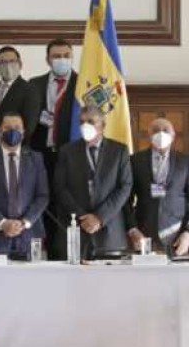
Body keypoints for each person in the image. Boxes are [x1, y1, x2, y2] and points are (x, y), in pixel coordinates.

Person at [53, 106, 132, 259]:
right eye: (81, 122)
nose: (85, 125)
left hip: (109, 235)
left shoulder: (119, 151)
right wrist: (83, 217)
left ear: (102, 125)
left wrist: (99, 218)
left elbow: (125, 187)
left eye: (90, 121)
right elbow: (60, 188)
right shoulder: (67, 151)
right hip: (76, 232)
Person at [28, 39, 78, 259]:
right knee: (41, 203)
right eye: (56, 56)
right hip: (41, 154)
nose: (61, 60)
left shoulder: (82, 83)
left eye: (66, 55)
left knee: (66, 206)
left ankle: (65, 254)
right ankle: (42, 252)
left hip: (70, 155)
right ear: (47, 59)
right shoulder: (34, 84)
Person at [0, 113, 49, 258]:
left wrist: (24, 222)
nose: (12, 131)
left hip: (30, 234)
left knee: (31, 280)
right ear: (0, 131)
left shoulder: (36, 159)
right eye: (7, 127)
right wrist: (3, 223)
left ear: (23, 132)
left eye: (17, 127)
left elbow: (43, 195)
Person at [124, 118, 189, 256]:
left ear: (173, 136)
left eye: (165, 130)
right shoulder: (135, 160)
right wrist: (132, 230)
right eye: (155, 130)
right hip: (143, 237)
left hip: (177, 238)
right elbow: (126, 200)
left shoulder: (185, 161)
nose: (160, 134)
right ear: (149, 135)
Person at [0, 46, 40, 150]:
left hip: (16, 149)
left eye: (12, 61)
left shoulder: (29, 90)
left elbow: (29, 125)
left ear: (20, 64)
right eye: (3, 62)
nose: (8, 65)